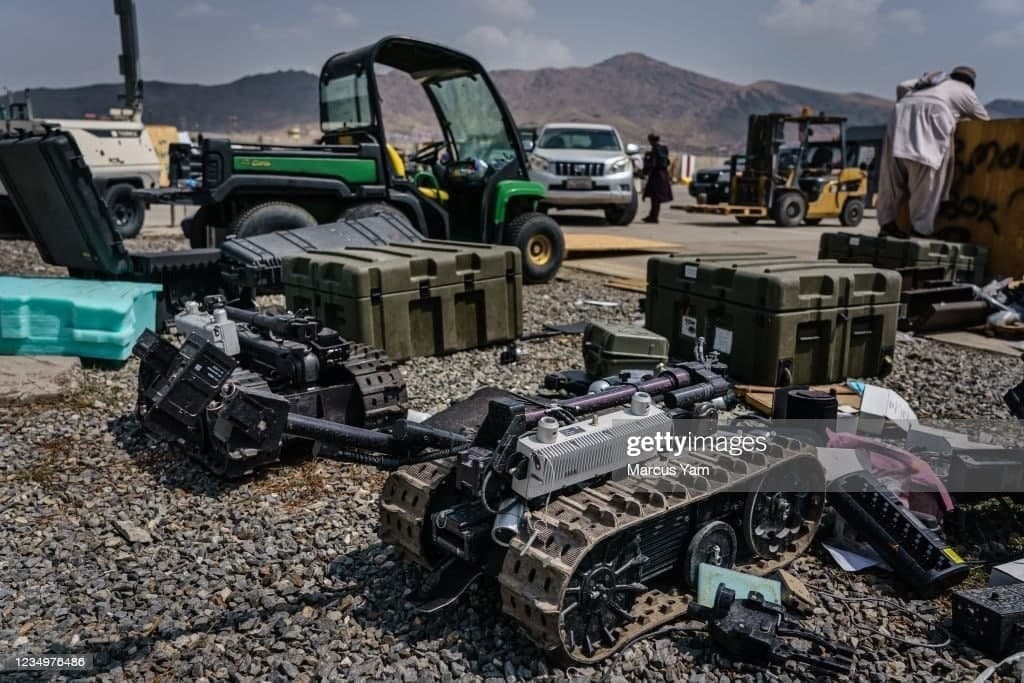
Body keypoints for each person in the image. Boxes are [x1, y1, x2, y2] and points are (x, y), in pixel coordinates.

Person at [876, 66, 989, 237]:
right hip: (932, 116)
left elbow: (902, 86)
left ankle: (887, 223)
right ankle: (920, 229)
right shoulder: (966, 91)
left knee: (892, 175)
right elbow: (984, 120)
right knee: (926, 176)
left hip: (901, 113)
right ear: (970, 83)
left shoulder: (932, 81)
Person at [641, 133, 673, 224]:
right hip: (664, 174)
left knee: (654, 197)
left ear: (650, 140)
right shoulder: (664, 149)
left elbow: (653, 164)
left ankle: (654, 217)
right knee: (656, 198)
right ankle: (653, 215)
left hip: (656, 175)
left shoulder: (655, 150)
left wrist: (645, 169)